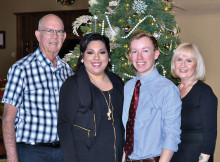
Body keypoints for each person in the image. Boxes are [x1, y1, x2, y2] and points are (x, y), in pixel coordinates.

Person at [1, 14, 73, 162]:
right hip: (31, 153)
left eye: (59, 31)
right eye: (48, 31)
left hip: (63, 152)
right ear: (38, 35)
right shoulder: (21, 69)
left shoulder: (67, 71)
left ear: (64, 36)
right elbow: (8, 119)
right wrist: (12, 158)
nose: (54, 36)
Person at [58, 33, 125, 162]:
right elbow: (64, 127)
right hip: (86, 156)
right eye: (90, 52)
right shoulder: (72, 85)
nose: (96, 58)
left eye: (102, 52)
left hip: (116, 156)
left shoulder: (117, 81)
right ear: (82, 57)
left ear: (108, 57)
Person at [122, 31, 182, 162]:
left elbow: (172, 135)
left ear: (156, 54)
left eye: (145, 51)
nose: (139, 57)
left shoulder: (167, 89)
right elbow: (128, 129)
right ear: (130, 55)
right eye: (134, 51)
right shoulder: (128, 87)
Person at [170, 43, 218, 162]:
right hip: (173, 156)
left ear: (197, 65)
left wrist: (203, 160)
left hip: (195, 157)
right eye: (179, 59)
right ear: (174, 63)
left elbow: (210, 132)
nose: (183, 64)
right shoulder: (172, 90)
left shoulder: (204, 92)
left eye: (189, 61)